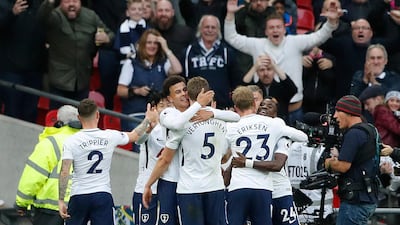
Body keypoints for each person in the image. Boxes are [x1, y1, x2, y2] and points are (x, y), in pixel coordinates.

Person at [142, 75, 239, 225]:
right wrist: (200, 105)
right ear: (169, 98)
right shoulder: (169, 114)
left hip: (192, 182)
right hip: (171, 179)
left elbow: (235, 117)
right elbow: (178, 124)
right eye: (178, 92)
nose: (183, 94)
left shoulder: (199, 116)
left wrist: (211, 112)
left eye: (185, 90)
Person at [225, 0, 341, 124]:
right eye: (271, 27)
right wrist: (230, 14)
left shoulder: (295, 42)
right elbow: (232, 38)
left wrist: (331, 22)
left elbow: (319, 36)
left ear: (284, 29)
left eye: (278, 27)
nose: (275, 30)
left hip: (295, 110)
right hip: (264, 112)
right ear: (266, 31)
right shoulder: (257, 44)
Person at [58, 98, 158, 225]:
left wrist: (61, 200)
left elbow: (64, 171)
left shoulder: (71, 141)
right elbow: (134, 135)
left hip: (79, 195)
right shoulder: (109, 136)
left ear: (78, 117)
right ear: (98, 114)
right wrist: (147, 119)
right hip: (102, 194)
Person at [225, 86, 307, 225]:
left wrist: (247, 162)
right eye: (260, 104)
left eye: (267, 105)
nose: (262, 107)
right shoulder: (251, 126)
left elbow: (278, 164)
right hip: (261, 189)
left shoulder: (278, 126)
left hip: (279, 190)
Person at [38, 0, 114, 109]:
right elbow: (42, 17)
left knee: (80, 120)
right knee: (58, 119)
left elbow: (110, 34)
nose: (71, 4)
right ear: (60, 3)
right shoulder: (54, 16)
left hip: (82, 80)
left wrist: (106, 38)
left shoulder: (90, 16)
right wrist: (49, 2)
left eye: (75, 1)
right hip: (59, 81)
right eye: (67, 1)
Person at [117, 28, 182, 150]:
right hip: (137, 114)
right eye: (149, 42)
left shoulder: (163, 63)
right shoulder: (131, 63)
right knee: (141, 146)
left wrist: (166, 48)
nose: (152, 46)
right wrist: (137, 91)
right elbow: (120, 90)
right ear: (142, 44)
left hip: (160, 115)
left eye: (155, 43)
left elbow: (177, 69)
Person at [15, 105, 80, 225]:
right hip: (81, 209)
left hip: (50, 210)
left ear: (59, 123)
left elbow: (33, 176)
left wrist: (21, 203)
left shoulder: (50, 143)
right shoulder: (89, 143)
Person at [324, 95, 381, 225]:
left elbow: (343, 166)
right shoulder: (370, 130)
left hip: (355, 202)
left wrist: (328, 163)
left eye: (338, 111)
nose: (334, 116)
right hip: (367, 198)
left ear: (349, 112)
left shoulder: (353, 134)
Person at [0, 0, 47, 123]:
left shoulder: (42, 6)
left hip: (35, 70)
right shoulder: (5, 4)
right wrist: (12, 14)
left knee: (30, 113)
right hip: (11, 70)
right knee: (12, 112)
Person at [182, 14, 240, 109]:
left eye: (213, 27)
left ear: (218, 30)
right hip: (195, 106)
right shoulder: (188, 51)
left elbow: (235, 80)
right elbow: (185, 78)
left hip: (222, 106)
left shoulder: (227, 52)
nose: (210, 30)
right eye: (206, 27)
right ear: (200, 29)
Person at [132, 92, 170, 225]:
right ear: (153, 109)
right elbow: (137, 140)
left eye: (169, 105)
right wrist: (148, 125)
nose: (165, 109)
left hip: (168, 189)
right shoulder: (151, 128)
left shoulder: (176, 129)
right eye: (161, 105)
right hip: (146, 189)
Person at [243, 54, 297, 123]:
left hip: (279, 124)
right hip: (257, 124)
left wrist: (275, 66)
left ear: (274, 71)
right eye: (262, 70)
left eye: (269, 69)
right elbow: (242, 88)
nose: (265, 73)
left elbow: (293, 89)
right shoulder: (255, 89)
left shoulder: (281, 88)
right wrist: (255, 67)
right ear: (257, 72)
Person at [302, 46, 336, 114]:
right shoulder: (303, 56)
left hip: (324, 103)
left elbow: (330, 78)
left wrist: (321, 58)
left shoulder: (330, 58)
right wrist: (310, 58)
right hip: (304, 102)